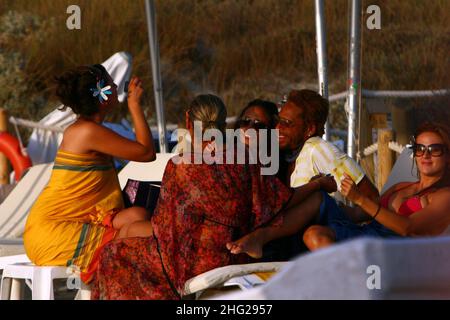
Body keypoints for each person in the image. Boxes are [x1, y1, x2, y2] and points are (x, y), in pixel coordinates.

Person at [90, 94, 337, 299]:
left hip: (189, 260)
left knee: (114, 254)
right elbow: (278, 203)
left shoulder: (181, 164)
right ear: (222, 123)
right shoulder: (245, 159)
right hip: (230, 251)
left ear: (189, 122)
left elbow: (165, 228)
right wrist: (316, 186)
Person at [226, 122, 450, 256]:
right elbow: (362, 215)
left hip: (393, 250)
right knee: (318, 200)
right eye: (420, 149)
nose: (425, 155)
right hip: (367, 233)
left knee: (314, 235)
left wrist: (361, 199)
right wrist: (339, 200)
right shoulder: (402, 186)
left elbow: (408, 228)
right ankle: (260, 237)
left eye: (435, 149)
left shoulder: (444, 196)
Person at [23, 64, 156, 284]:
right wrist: (134, 105)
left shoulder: (87, 130)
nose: (115, 87)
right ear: (102, 96)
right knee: (140, 233)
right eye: (112, 85)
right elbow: (146, 152)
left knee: (138, 216)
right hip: (54, 232)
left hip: (71, 224)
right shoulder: (86, 132)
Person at [276, 89, 378, 201]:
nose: (277, 127)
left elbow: (372, 197)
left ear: (309, 129)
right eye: (278, 120)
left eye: (286, 123)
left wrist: (342, 213)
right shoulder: (287, 154)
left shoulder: (318, 149)